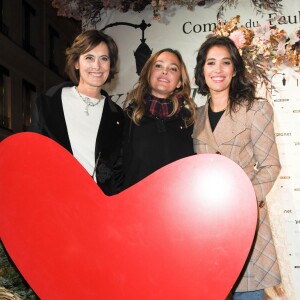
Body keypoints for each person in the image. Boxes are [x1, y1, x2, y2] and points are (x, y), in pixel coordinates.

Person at [192, 36, 281, 300]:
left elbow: (270, 165)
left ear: (234, 70)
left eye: (225, 62)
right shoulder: (193, 116)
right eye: (211, 63)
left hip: (246, 225)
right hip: (207, 227)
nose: (217, 70)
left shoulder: (256, 109)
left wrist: (243, 203)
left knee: (247, 292)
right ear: (202, 70)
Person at [28, 30, 124, 196]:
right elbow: (32, 155)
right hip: (54, 202)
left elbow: (119, 173)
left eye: (104, 59)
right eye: (89, 58)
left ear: (110, 65)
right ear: (76, 63)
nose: (97, 66)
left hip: (98, 207)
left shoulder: (118, 117)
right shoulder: (48, 103)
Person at [122, 48, 196, 189]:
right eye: (158, 66)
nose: (165, 71)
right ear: (149, 74)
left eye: (173, 69)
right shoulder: (129, 117)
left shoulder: (189, 121)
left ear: (179, 82)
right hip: (135, 205)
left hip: (178, 206)